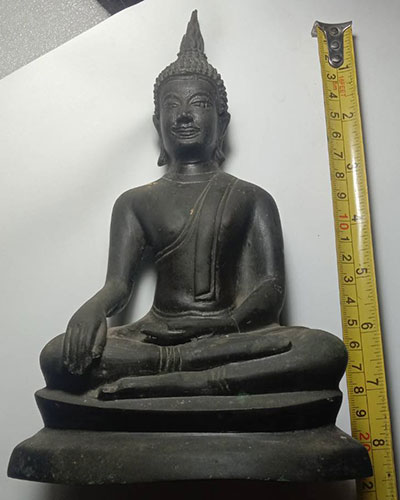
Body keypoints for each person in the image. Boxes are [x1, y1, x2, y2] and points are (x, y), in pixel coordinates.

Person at [40, 11, 346, 399]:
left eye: (199, 104)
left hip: (231, 334)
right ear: (158, 123)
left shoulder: (253, 198)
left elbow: (270, 290)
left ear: (222, 120)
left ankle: (192, 379)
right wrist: (92, 309)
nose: (184, 115)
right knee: (57, 356)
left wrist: (220, 326)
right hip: (158, 334)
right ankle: (189, 370)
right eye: (172, 105)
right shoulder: (134, 202)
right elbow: (117, 285)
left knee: (324, 350)